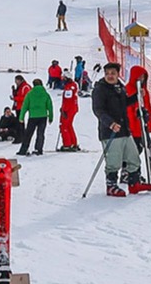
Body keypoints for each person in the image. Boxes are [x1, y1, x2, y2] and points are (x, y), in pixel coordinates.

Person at [92, 62, 141, 197]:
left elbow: (125, 103)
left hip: (124, 129)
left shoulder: (120, 87)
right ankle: (111, 185)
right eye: (107, 73)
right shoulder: (100, 89)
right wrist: (110, 123)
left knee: (133, 157)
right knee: (114, 160)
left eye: (113, 73)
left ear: (118, 74)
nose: (110, 76)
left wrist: (137, 96)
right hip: (110, 131)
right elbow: (98, 110)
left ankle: (134, 182)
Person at [16, 78, 53, 156]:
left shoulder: (30, 94)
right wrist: (50, 117)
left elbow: (24, 106)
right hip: (43, 116)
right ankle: (38, 149)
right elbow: (50, 106)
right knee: (40, 133)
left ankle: (23, 149)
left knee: (28, 134)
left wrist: (21, 117)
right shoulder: (46, 94)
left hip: (33, 116)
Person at [57, 78, 81, 151]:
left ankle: (67, 144)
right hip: (73, 108)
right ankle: (73, 142)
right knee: (69, 125)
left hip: (68, 110)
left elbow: (67, 100)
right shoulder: (73, 86)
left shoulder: (68, 88)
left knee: (63, 126)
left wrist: (64, 110)